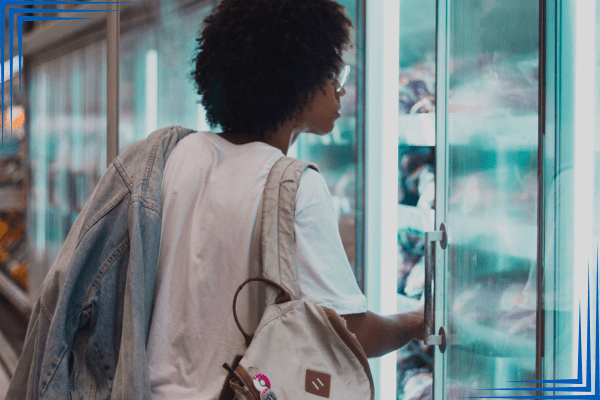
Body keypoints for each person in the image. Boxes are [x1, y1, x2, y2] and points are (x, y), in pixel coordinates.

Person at [145, 0, 424, 398]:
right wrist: (415, 321)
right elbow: (350, 333)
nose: (341, 87)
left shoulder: (179, 155)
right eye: (333, 72)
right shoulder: (294, 184)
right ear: (297, 79)